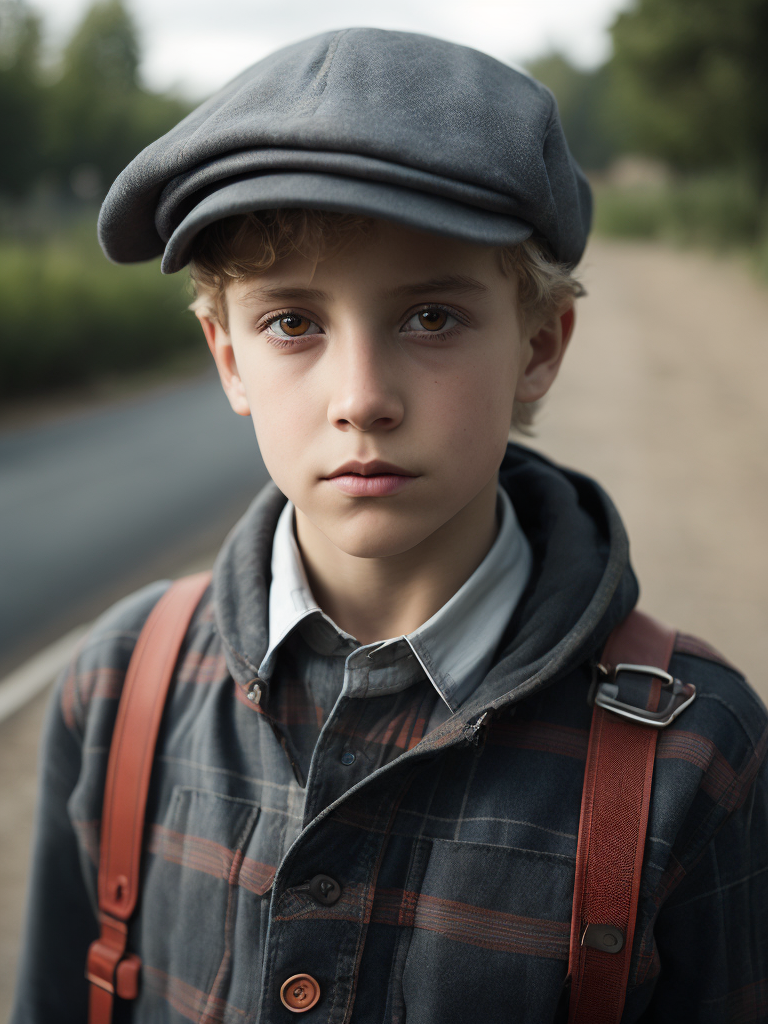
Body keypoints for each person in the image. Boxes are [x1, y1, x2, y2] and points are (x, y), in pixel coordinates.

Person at [11, 28, 768, 1024]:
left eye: (431, 318)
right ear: (228, 356)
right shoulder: (122, 683)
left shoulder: (693, 751)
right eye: (294, 323)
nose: (361, 399)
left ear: (539, 346)